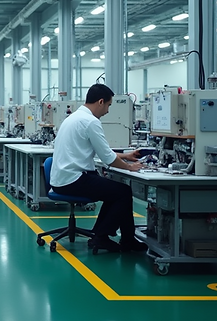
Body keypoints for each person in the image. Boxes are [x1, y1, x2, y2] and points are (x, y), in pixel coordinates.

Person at [50, 83, 147, 253]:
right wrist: (130, 168)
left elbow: (100, 151)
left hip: (62, 178)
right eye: (109, 105)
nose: (108, 110)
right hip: (73, 179)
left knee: (114, 192)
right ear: (101, 102)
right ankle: (111, 239)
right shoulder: (90, 121)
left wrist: (126, 156)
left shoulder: (73, 118)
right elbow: (108, 158)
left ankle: (102, 235)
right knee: (123, 192)